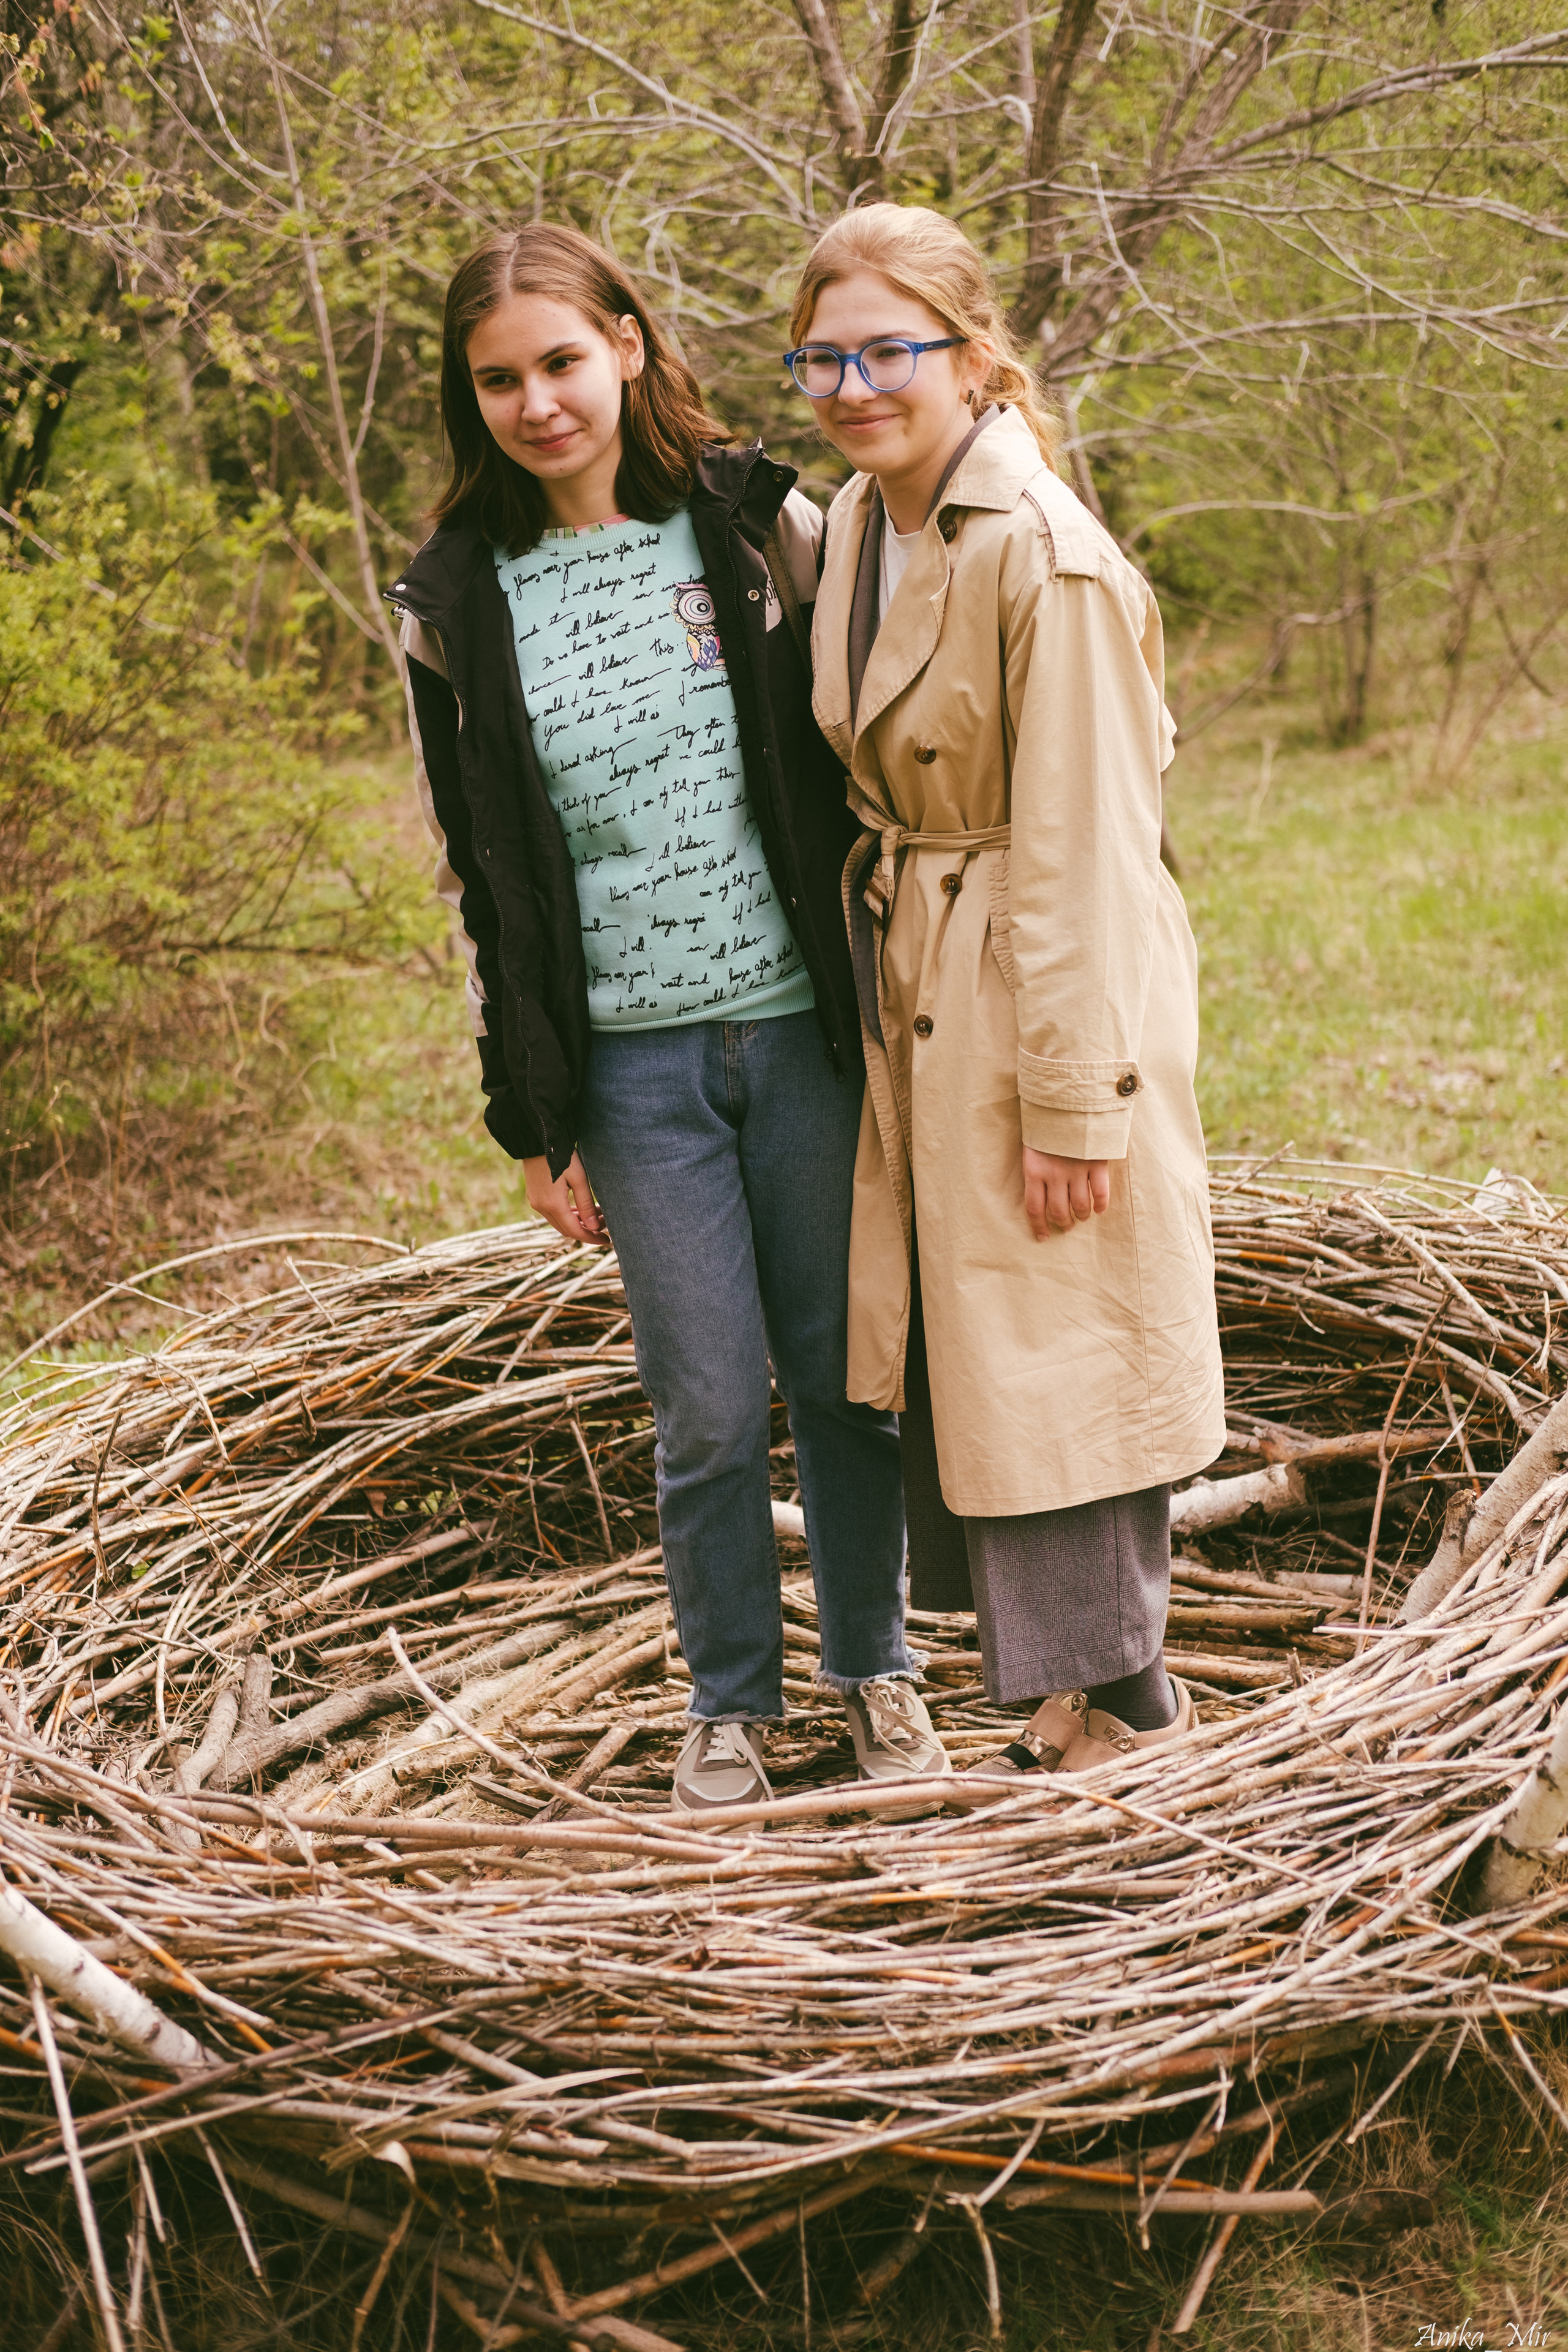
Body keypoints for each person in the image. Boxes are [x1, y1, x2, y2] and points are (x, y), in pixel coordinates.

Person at [386, 222, 949, 1815]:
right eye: (498, 379)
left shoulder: (766, 526)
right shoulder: (458, 604)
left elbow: (891, 732)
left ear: (629, 345)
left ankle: (878, 1677)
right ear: (470, 398)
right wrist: (534, 1120)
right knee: (705, 1407)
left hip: (806, 1040)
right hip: (637, 1078)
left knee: (847, 1380)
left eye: (562, 361)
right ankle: (730, 1707)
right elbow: (484, 881)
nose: (538, 402)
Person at [783, 204, 1226, 1793]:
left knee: (1065, 1338)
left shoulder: (1050, 555)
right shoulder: (854, 524)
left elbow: (1093, 854)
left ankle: (1133, 1709)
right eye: (824, 354)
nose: (852, 382)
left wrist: (1072, 1098)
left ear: (972, 357)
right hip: (922, 957)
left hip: (1043, 970)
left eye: (889, 349)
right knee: (979, 1346)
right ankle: (1064, 1690)